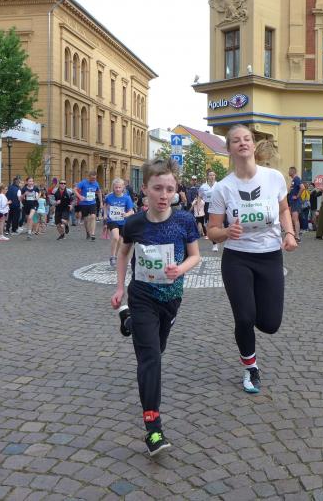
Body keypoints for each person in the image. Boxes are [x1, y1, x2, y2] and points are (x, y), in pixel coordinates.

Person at [110, 158, 201, 456]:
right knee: (150, 359)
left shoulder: (184, 220)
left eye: (169, 189)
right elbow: (123, 253)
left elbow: (195, 256)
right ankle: (153, 429)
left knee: (157, 348)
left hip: (171, 298)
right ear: (145, 189)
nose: (164, 195)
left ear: (176, 191)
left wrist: (180, 269)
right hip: (142, 296)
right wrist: (120, 287)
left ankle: (128, 321)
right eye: (157, 188)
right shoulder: (135, 223)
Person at [207, 124, 298, 395]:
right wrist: (227, 232)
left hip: (270, 256)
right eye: (236, 140)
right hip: (237, 258)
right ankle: (251, 367)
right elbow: (212, 231)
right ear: (229, 148)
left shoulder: (273, 178)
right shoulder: (223, 188)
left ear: (253, 145)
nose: (243, 143)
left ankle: (252, 312)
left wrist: (289, 233)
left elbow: (284, 209)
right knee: (245, 318)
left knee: (270, 324)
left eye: (247, 138)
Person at [105, 178, 135, 267]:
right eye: (116, 187)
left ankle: (117, 256)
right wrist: (105, 214)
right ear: (113, 187)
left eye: (119, 187)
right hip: (112, 220)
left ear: (123, 188)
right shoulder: (109, 197)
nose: (117, 189)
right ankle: (112, 256)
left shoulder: (127, 198)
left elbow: (131, 211)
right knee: (115, 237)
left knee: (120, 241)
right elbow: (105, 206)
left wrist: (127, 214)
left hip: (123, 221)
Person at [75, 171, 102, 241]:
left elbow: (99, 192)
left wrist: (101, 202)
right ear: (88, 177)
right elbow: (74, 190)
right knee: (86, 219)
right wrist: (80, 196)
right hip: (83, 204)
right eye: (92, 179)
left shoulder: (96, 183)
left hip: (92, 203)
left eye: (95, 179)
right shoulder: (83, 182)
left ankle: (93, 234)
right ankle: (87, 232)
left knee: (93, 216)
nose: (93, 180)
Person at [288, 167, 305, 242]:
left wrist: (297, 196)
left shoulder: (297, 179)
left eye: (289, 171)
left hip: (296, 202)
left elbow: (302, 187)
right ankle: (295, 235)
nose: (288, 172)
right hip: (292, 202)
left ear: (292, 171)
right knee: (293, 219)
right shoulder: (293, 180)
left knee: (295, 219)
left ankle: (297, 237)